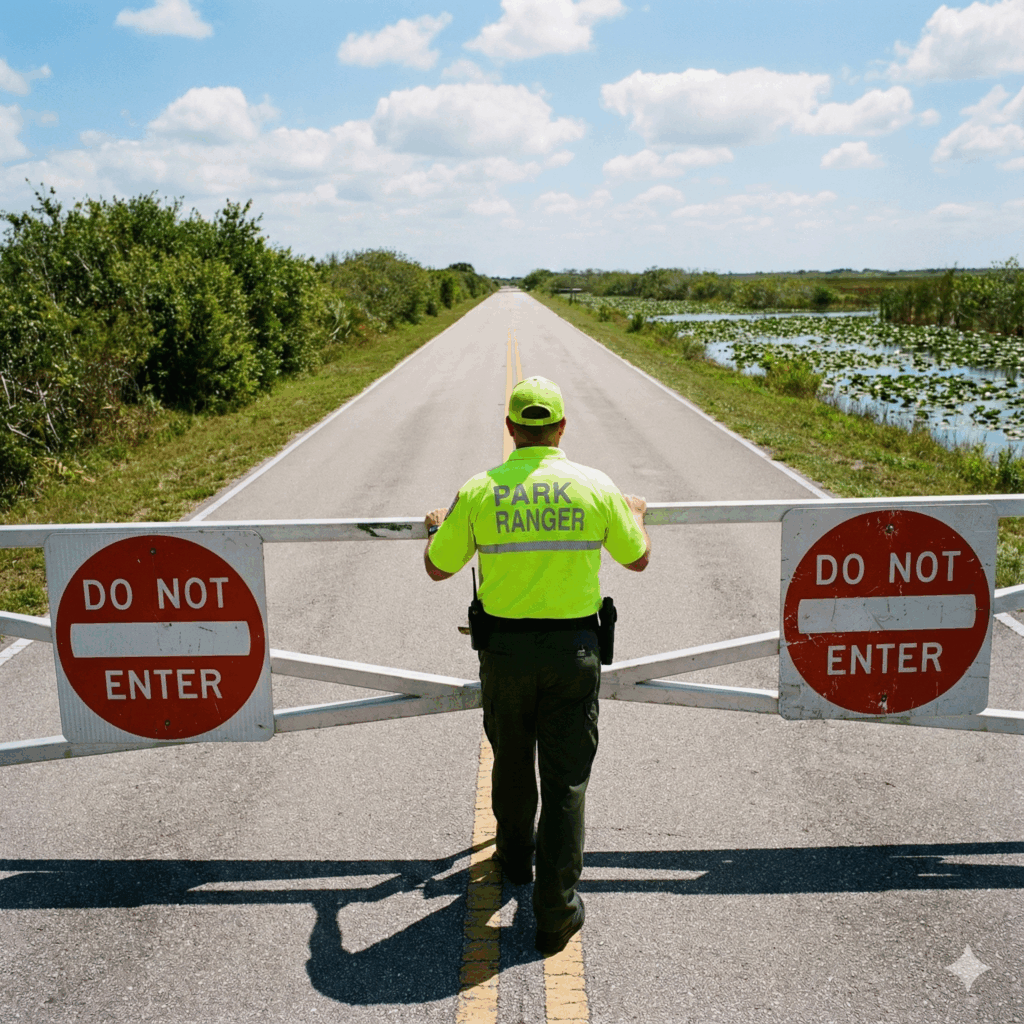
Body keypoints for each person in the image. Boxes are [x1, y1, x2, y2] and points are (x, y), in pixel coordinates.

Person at [422, 375, 651, 956]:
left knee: (512, 760)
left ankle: (514, 861)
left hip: (504, 655)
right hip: (574, 652)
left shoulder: (479, 490)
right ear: (562, 428)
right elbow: (638, 557)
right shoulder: (595, 486)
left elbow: (437, 567)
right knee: (566, 780)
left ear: (510, 429)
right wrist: (636, 512)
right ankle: (555, 913)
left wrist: (437, 524)